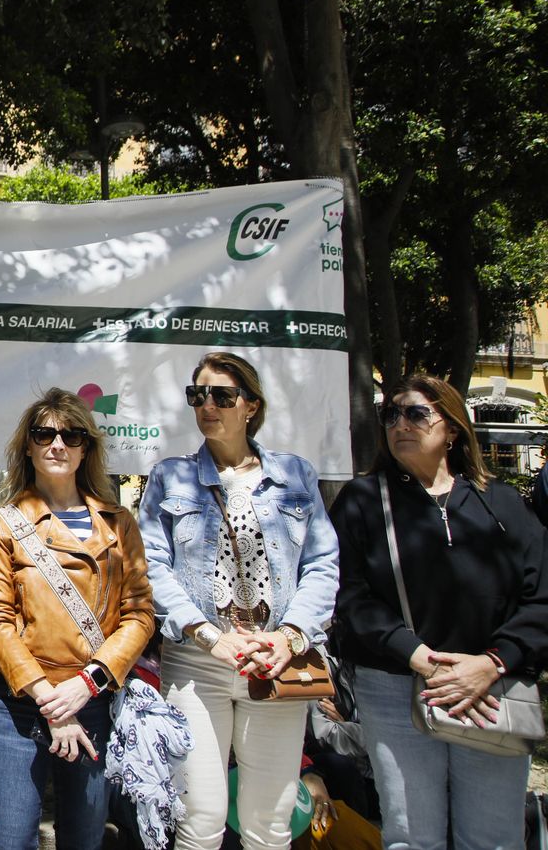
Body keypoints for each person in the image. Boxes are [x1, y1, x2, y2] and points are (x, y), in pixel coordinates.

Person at [330, 373, 548, 850]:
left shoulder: (503, 504)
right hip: (394, 684)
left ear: (451, 428)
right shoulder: (364, 501)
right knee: (412, 836)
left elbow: (541, 598)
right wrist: (419, 656)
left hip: (491, 688)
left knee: (493, 838)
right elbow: (348, 594)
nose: (400, 424)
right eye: (391, 415)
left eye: (415, 413)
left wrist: (492, 662)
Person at [136, 351, 339, 850]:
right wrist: (206, 635)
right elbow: (151, 567)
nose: (207, 405)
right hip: (197, 661)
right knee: (200, 818)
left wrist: (290, 637)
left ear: (251, 405)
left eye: (222, 395)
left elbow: (322, 564)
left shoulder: (295, 475)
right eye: (197, 395)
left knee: (269, 822)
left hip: (274, 663)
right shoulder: (170, 476)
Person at [0, 389, 154, 850]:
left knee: (85, 839)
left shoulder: (119, 524)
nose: (58, 444)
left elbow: (138, 615)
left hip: (91, 701)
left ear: (85, 448)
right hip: (16, 705)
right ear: (28, 446)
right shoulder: (1, 525)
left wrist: (86, 685)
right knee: (12, 843)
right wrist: (49, 698)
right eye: (44, 433)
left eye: (71, 435)